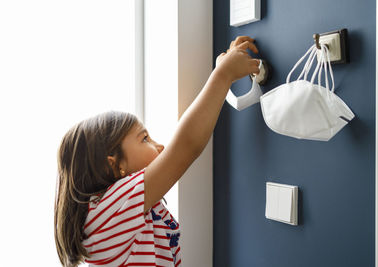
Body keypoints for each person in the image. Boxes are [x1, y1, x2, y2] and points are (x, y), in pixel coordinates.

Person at [54, 36, 260, 267]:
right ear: (113, 165)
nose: (159, 146)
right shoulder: (109, 210)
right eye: (145, 139)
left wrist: (227, 67)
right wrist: (223, 75)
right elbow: (186, 146)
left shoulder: (127, 209)